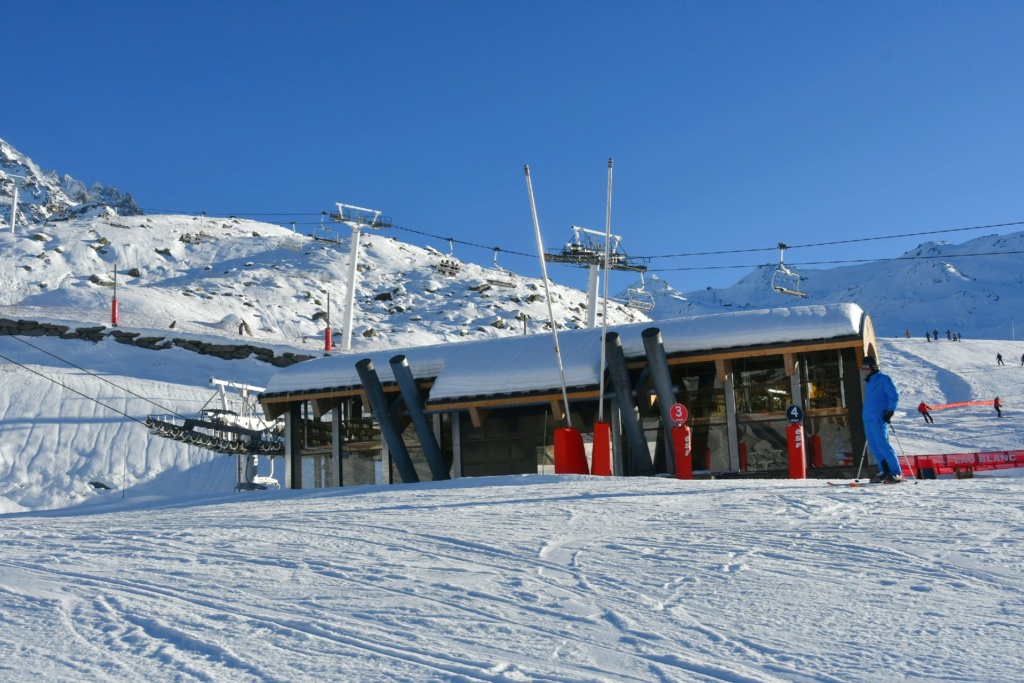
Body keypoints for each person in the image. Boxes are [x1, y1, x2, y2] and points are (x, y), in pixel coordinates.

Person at [861, 355, 904, 483]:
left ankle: (896, 472)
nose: (865, 370)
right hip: (868, 418)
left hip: (878, 417)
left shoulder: (884, 379)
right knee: (874, 446)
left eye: (867, 367)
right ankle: (885, 470)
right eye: (863, 367)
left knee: (883, 445)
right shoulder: (869, 382)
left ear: (873, 367)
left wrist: (890, 411)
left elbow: (894, 396)